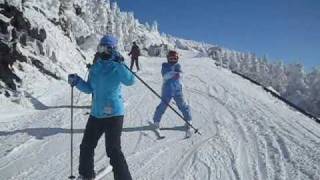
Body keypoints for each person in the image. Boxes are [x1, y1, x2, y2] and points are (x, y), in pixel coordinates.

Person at [68, 35, 134, 180]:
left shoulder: (117, 65)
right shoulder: (96, 67)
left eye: (106, 47)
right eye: (101, 47)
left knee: (113, 150)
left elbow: (130, 81)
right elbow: (90, 88)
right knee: (86, 146)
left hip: (114, 114)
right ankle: (86, 175)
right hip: (96, 114)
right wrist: (77, 81)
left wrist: (119, 63)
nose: (103, 50)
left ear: (113, 49)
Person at [152, 50, 192, 137]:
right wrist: (175, 74)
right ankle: (156, 121)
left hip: (178, 89)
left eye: (174, 58)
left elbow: (181, 74)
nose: (173, 60)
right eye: (171, 58)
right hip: (167, 90)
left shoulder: (178, 65)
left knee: (182, 104)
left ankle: (188, 120)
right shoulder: (165, 65)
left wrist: (178, 74)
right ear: (168, 58)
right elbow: (165, 75)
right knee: (163, 105)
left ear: (177, 59)